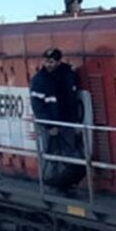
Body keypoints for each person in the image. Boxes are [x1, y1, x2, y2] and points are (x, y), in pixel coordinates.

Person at [29, 48, 85, 192]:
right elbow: (37, 106)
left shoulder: (69, 75)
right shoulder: (39, 80)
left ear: (59, 62)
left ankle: (67, 183)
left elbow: (73, 98)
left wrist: (75, 121)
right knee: (51, 154)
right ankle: (50, 184)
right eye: (46, 61)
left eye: (52, 61)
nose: (48, 64)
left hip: (67, 122)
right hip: (50, 124)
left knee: (70, 153)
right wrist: (49, 126)